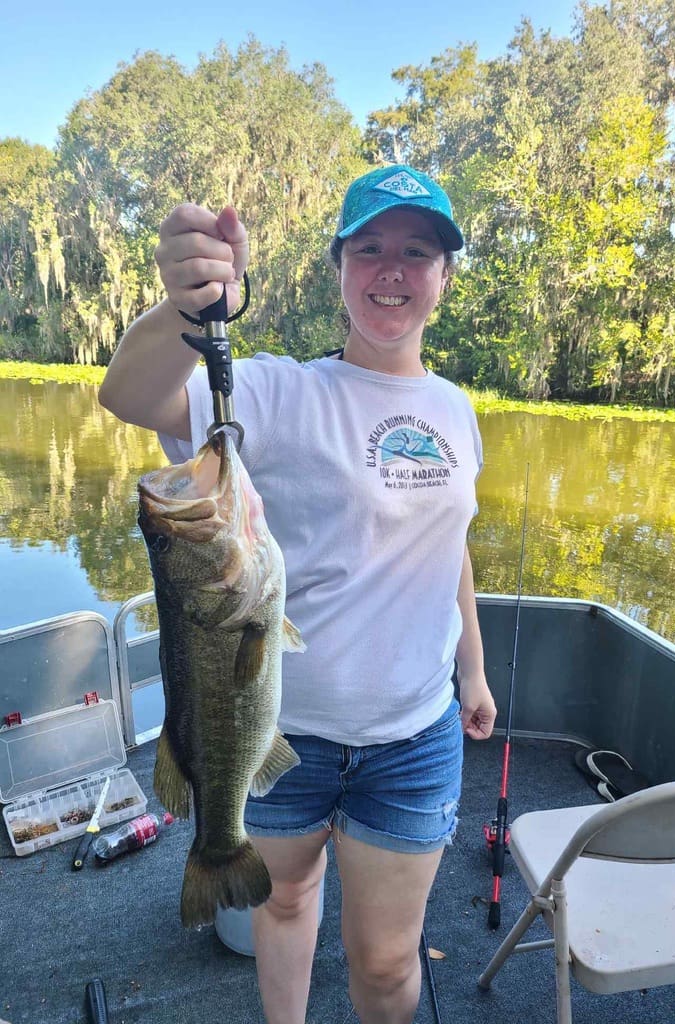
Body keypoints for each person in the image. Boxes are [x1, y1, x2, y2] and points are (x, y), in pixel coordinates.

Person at [99, 163, 497, 1024]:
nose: (392, 268)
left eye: (416, 251)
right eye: (370, 249)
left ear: (444, 276)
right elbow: (129, 394)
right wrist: (192, 303)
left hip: (413, 737)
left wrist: (474, 668)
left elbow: (448, 543)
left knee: (389, 966)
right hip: (279, 728)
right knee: (282, 905)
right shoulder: (280, 391)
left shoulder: (459, 411)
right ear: (340, 268)